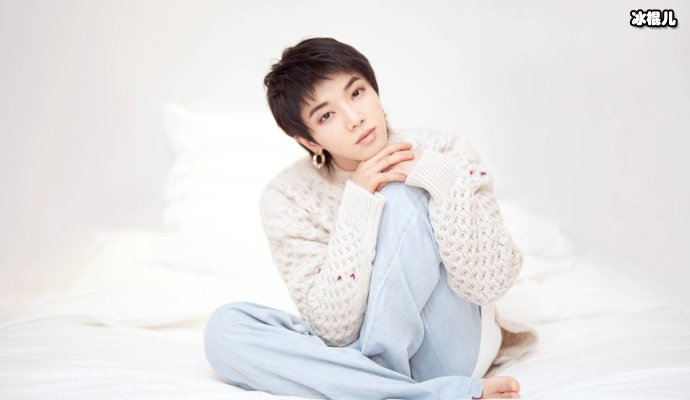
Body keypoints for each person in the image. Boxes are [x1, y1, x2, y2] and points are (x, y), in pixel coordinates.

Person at [203, 37, 538, 400]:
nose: (354, 118)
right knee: (225, 329)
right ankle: (399, 391)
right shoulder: (286, 196)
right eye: (326, 115)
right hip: (356, 350)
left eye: (357, 93)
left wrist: (441, 180)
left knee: (401, 191)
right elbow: (333, 331)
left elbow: (490, 284)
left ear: (374, 89)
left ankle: (364, 381)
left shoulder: (443, 151)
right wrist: (358, 203)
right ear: (310, 141)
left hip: (449, 346)